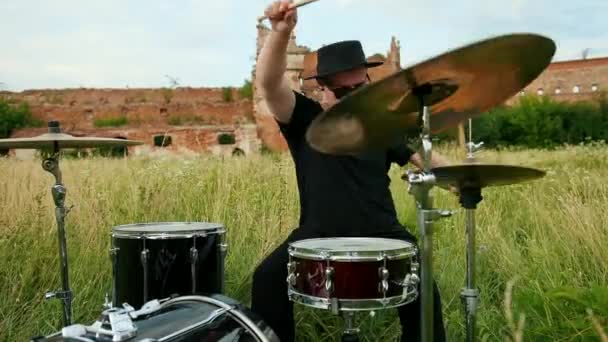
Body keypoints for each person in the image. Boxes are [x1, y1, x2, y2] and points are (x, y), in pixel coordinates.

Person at [251, 1, 453, 341]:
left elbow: (426, 159)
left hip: (384, 233)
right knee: (267, 280)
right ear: (323, 91)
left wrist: (464, 178)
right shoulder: (305, 119)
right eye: (342, 91)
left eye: (359, 88)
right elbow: (269, 84)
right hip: (317, 236)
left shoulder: (382, 125)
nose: (352, 98)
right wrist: (281, 32)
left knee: (424, 290)